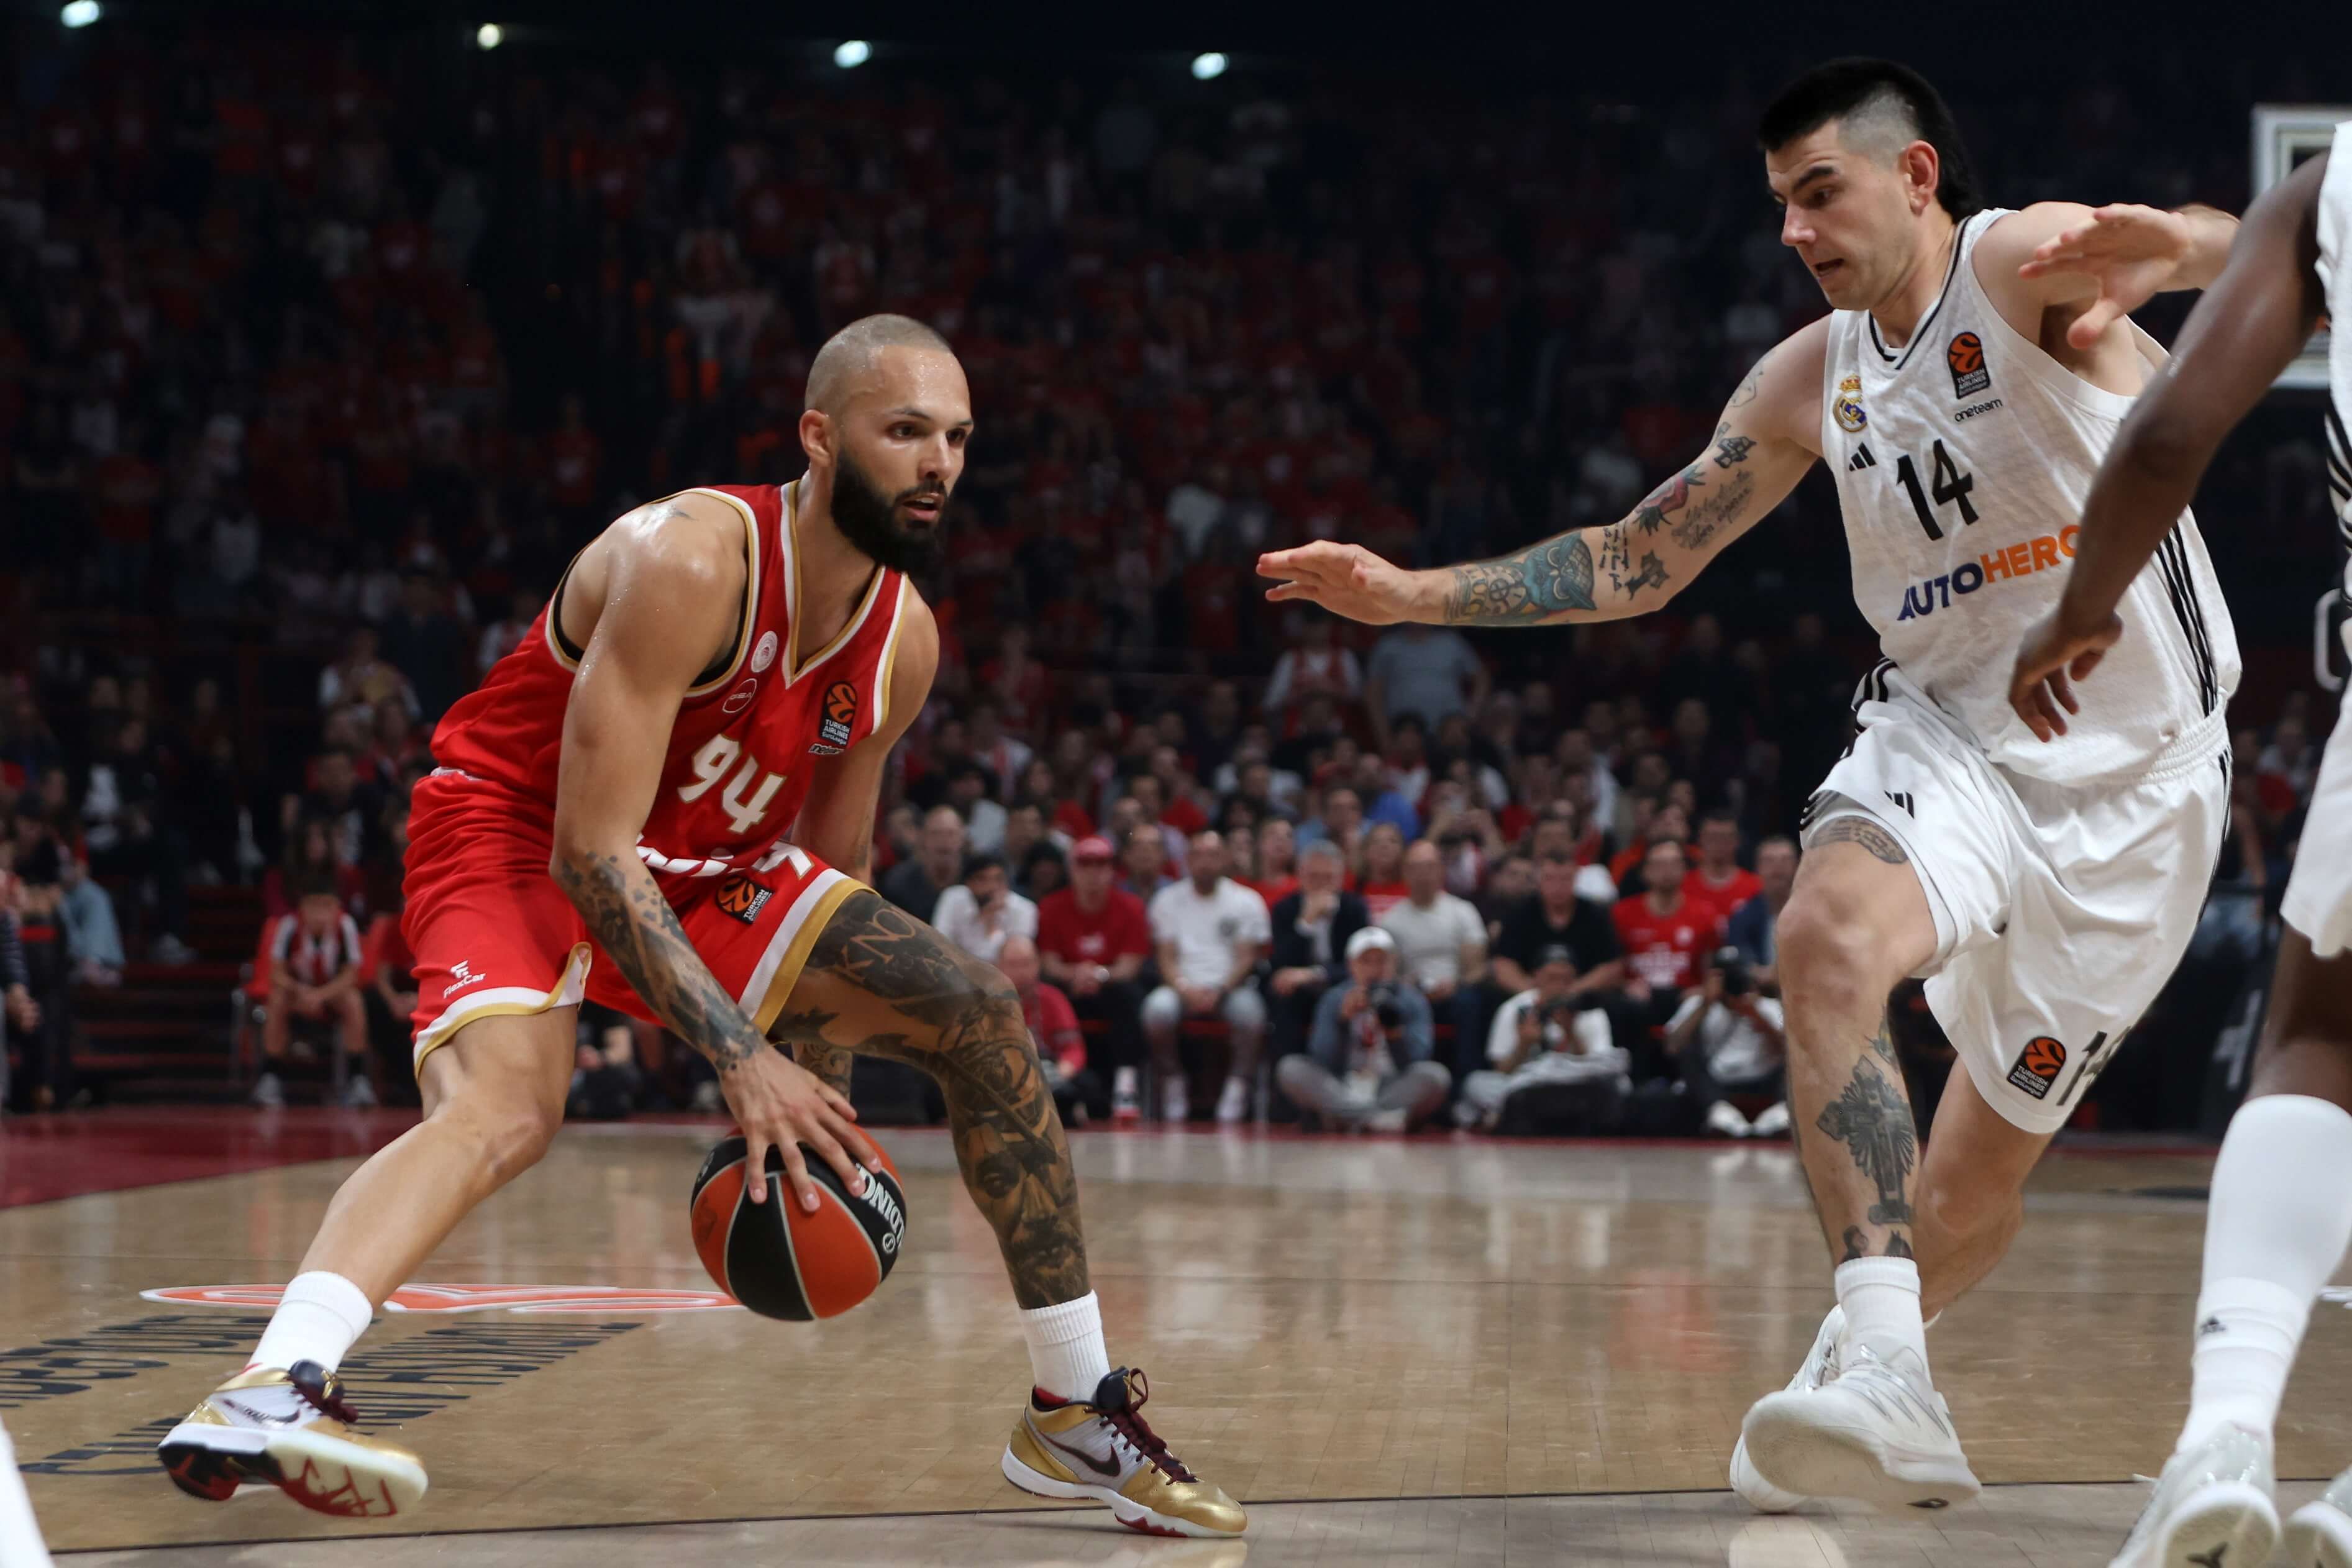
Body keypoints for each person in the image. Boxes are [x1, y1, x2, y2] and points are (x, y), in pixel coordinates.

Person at [1260, 58, 2242, 1513]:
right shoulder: (1805, 376)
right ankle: (1884, 1366)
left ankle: (1865, 1374)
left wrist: (2182, 241)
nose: (1792, 228)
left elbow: (2239, 248)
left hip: (2139, 795)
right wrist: (1410, 594)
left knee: (1969, 1194)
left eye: (1818, 192)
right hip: (1949, 737)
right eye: (1779, 201)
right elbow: (1635, 557)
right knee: (1822, 930)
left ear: (1914, 176)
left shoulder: (2021, 264)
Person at [160, 316, 1242, 1539]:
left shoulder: (903, 638)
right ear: (820, 437)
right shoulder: (690, 558)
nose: (938, 462)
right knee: (507, 1108)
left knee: (981, 1014)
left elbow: (832, 869)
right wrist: (742, 1056)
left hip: (704, 869)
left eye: (956, 437)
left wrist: (818, 1090)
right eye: (905, 431)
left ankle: (1073, 1406)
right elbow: (589, 850)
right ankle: (276, 1380)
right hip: (519, 829)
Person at [2003, 137, 2350, 1568]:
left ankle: (2222, 1434)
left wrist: (2079, 606)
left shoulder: (2331, 184)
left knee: (2318, 1041)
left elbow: (2158, 438)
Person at [1142, 829, 1270, 1124]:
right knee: (1156, 1012)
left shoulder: (1246, 901)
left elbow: (1247, 958)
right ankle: (1172, 1079)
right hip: (1180, 985)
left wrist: (1220, 989)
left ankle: (1238, 1085)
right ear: (1187, 860)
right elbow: (1166, 957)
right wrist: (1184, 988)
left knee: (1251, 1016)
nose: (1205, 862)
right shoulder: (1167, 900)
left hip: (1231, 987)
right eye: (1198, 855)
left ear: (1225, 859)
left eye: (1213, 855)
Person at [1275, 927, 1449, 1132]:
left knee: (1436, 1076)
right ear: (1351, 965)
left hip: (1390, 1085)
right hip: (1342, 1083)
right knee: (1290, 1068)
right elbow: (1322, 1059)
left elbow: (1418, 1058)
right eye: (1366, 961)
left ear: (1394, 963)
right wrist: (1342, 1021)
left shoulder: (1412, 1000)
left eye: (1382, 961)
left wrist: (1394, 1032)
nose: (1374, 969)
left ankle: (1345, 1118)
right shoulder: (1334, 998)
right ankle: (1376, 1119)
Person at [1034, 836, 1152, 1125]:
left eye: (1101, 865)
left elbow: (1131, 965)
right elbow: (1049, 962)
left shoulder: (1131, 906)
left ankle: (1126, 1083)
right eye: (1085, 865)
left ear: (1112, 870)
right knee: (1046, 992)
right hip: (1069, 987)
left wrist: (1098, 974)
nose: (1093, 873)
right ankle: (1053, 1071)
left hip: (1110, 988)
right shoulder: (1051, 906)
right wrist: (1076, 974)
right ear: (1073, 869)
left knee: (1130, 995)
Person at [1459, 946, 1626, 1134]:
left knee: (1621, 1085)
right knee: (1476, 1083)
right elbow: (1502, 1070)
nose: (1559, 986)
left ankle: (1508, 1115)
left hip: (1573, 1086)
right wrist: (1524, 1044)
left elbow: (1598, 1068)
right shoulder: (1515, 1008)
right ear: (1536, 977)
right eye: (1552, 978)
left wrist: (1571, 1032)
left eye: (1566, 979)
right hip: (1528, 1086)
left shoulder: (1589, 1011)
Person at [253, 877, 374, 1110]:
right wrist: (301, 991)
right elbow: (276, 973)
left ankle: (357, 1079)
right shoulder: (288, 926)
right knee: (276, 999)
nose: (320, 913)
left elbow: (351, 975)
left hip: (330, 994)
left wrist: (320, 996)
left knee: (354, 1000)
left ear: (336, 908)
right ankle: (270, 1077)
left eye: (327, 906)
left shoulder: (345, 926)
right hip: (298, 992)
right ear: (302, 908)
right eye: (314, 906)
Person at [1264, 841, 1369, 1095]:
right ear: (1300, 877)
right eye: (1314, 877)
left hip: (1339, 985)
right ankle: (1288, 1092)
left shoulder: (1354, 909)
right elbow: (1280, 963)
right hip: (1296, 991)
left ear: (1341, 879)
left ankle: (1339, 1087)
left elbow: (1361, 966)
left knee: (1346, 999)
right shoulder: (1285, 909)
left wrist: (1314, 974)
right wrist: (1306, 923)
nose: (1321, 884)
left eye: (1328, 877)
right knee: (1282, 997)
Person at [1379, 838, 1490, 1077]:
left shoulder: (1463, 912)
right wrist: (1407, 986)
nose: (1423, 874)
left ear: (1441, 870)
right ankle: (1406, 1078)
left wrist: (1456, 984)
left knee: (1471, 1001)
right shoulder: (1390, 921)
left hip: (1455, 992)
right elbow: (1387, 973)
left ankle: (1467, 1081)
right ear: (1405, 873)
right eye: (1416, 868)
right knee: (1392, 1004)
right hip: (1412, 994)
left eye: (1429, 866)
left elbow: (1477, 968)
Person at [1666, 946, 1790, 1139]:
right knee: (1688, 1054)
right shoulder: (1698, 1004)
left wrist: (1756, 1015)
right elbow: (1672, 1047)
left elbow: (1789, 1051)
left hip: (1763, 1080)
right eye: (1724, 976)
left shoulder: (1769, 1007)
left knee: (1797, 1058)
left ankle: (1779, 1114)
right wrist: (1705, 1004)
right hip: (1717, 1082)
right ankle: (1719, 1112)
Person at [1000, 936, 1099, 1128]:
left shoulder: (1053, 998)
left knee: (1088, 1086)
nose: (1021, 971)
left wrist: (1059, 1074)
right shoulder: (987, 1002)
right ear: (999, 966)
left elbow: (1074, 1049)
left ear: (1037, 965)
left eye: (1026, 964)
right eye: (1013, 964)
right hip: (1005, 1074)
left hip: (1048, 1071)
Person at [929, 852, 1039, 966]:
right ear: (969, 883)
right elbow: (939, 946)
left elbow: (1014, 961)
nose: (992, 886)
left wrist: (990, 925)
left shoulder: (1025, 909)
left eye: (998, 879)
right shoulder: (952, 898)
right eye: (982, 879)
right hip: (953, 970)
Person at [1727, 837, 1800, 992]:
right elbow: (1739, 961)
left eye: (1785, 860)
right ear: (1757, 868)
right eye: (1769, 861)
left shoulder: (1812, 914)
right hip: (1757, 995)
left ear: (1798, 866)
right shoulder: (1743, 916)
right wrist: (1764, 975)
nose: (1778, 867)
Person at [878, 803, 966, 923]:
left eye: (951, 833)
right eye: (936, 833)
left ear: (963, 837)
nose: (944, 840)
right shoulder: (899, 882)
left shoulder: (978, 875)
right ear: (923, 838)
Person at [1682, 809, 1762, 934]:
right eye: (1712, 837)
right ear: (1700, 839)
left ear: (1737, 841)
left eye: (1725, 838)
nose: (1719, 843)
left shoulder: (1755, 887)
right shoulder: (1683, 885)